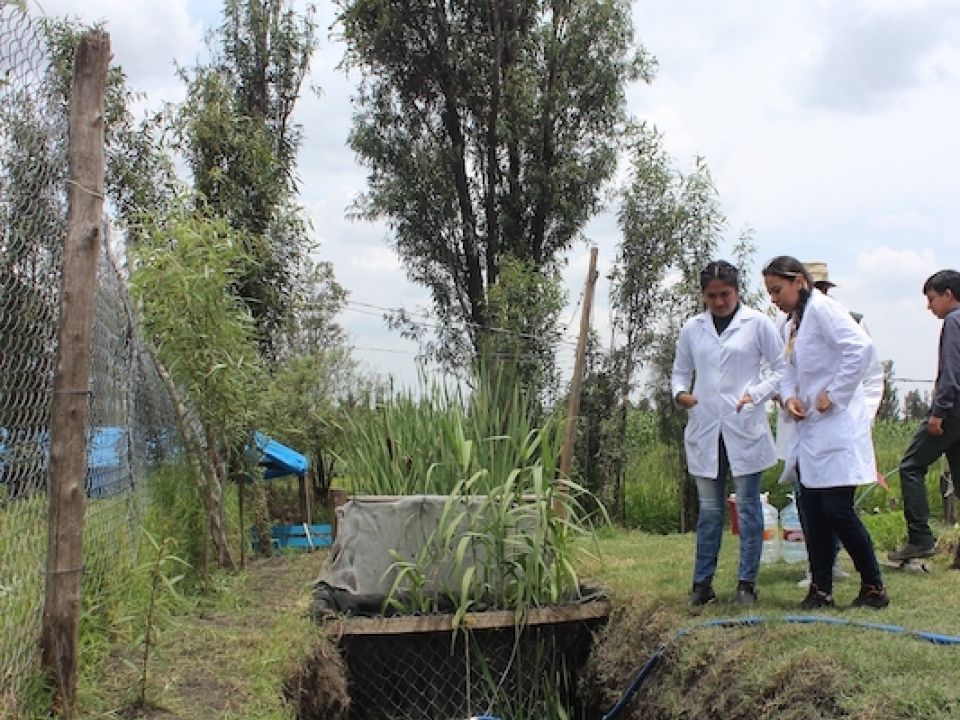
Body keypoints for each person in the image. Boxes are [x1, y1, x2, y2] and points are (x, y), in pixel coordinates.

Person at [763, 255, 888, 609]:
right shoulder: (792, 323)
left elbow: (860, 350)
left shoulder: (824, 310)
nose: (774, 298)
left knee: (837, 511)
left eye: (777, 290)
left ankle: (874, 586)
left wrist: (833, 395)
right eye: (770, 292)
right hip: (809, 432)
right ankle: (821, 589)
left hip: (835, 428)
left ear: (798, 281)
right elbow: (785, 369)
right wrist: (788, 399)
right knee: (811, 512)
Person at [672, 260, 785, 607]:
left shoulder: (758, 324)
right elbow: (679, 372)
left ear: (737, 291)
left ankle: (746, 584)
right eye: (711, 296)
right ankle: (702, 584)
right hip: (706, 427)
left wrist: (755, 394)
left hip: (744, 424)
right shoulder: (693, 328)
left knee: (748, 508)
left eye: (725, 294)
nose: (719, 302)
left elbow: (781, 370)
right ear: (703, 296)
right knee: (709, 512)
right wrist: (680, 394)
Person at [888, 269, 960, 562]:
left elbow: (951, 373)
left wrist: (938, 413)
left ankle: (920, 537)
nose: (929, 306)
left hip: (952, 411)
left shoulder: (954, 322)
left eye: (931, 299)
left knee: (911, 467)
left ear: (948, 295)